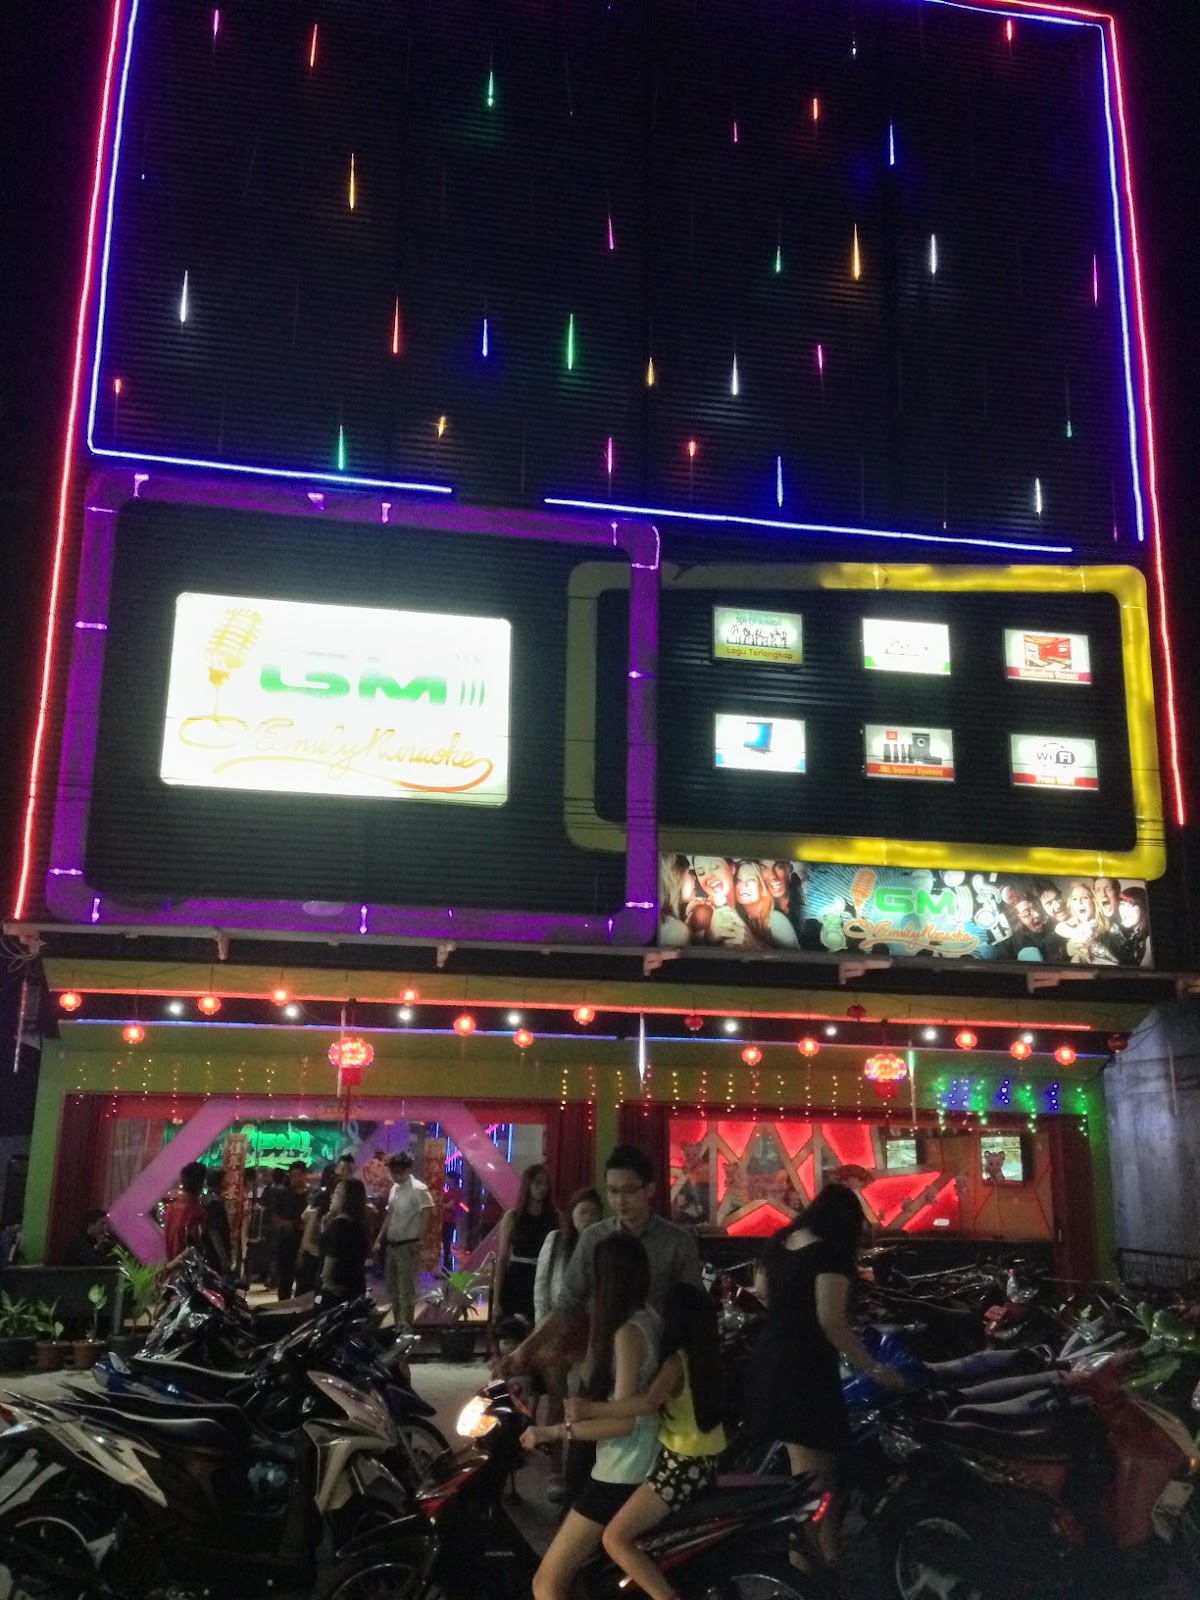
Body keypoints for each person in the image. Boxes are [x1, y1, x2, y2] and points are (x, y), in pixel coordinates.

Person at [747, 1184, 905, 1581]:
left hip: (770, 1361)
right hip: (805, 1371)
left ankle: (828, 1563)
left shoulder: (780, 1241)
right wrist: (874, 1368)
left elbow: (762, 1291)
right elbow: (832, 1321)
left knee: (818, 1478)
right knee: (815, 1484)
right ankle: (804, 1573)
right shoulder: (830, 1255)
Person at [521, 1234, 661, 1600]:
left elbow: (623, 1421)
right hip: (635, 1460)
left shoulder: (627, 1332)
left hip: (624, 1467)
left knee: (547, 1582)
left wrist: (551, 1432)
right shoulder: (647, 1317)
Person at [568, 1282, 727, 1600]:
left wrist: (589, 1409)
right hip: (704, 1461)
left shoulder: (675, 1363)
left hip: (682, 1464)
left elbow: (647, 1403)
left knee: (615, 1539)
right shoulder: (706, 1358)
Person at [499, 1145, 701, 1379]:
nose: (620, 1200)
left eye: (628, 1191)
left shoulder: (677, 1242)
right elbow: (567, 1305)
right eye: (612, 1191)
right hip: (599, 1359)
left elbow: (692, 1313)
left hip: (655, 1361)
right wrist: (526, 1349)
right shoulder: (594, 1238)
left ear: (650, 1189)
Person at [533, 1187, 604, 1500]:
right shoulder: (556, 1241)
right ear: (571, 1214)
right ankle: (556, 1470)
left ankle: (582, 1467)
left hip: (589, 1330)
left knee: (584, 1398)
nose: (588, 1218)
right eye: (582, 1212)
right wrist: (541, 1331)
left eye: (593, 1213)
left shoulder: (604, 1245)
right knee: (556, 1399)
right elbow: (541, 1286)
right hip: (557, 1327)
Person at [492, 1164, 560, 1328]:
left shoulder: (555, 1216)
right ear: (528, 1185)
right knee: (514, 1328)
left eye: (545, 1184)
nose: (542, 1188)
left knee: (540, 1328)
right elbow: (502, 1258)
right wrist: (496, 1299)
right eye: (537, 1183)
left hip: (544, 1276)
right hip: (517, 1277)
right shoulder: (513, 1217)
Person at [374, 1151, 434, 1335]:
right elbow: (390, 1215)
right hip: (392, 1244)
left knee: (406, 1290)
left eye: (398, 1172)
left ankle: (405, 1328)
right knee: (392, 1289)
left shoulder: (419, 1189)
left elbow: (427, 1214)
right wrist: (379, 1239)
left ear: (408, 1170)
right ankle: (397, 1325)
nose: (395, 1176)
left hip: (408, 1244)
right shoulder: (395, 1188)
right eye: (393, 1172)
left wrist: (420, 1240)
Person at [319, 1178, 371, 1307]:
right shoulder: (359, 1224)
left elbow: (330, 1262)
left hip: (337, 1293)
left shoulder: (340, 1225)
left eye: (337, 1192)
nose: (332, 1196)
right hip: (355, 1288)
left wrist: (326, 1282)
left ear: (348, 1198)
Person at [733, 859, 800, 949]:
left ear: (762, 886)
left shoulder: (776, 919)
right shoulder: (742, 918)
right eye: (739, 879)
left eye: (751, 879)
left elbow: (792, 956)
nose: (744, 885)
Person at [296, 1163, 337, 1294]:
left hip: (314, 1251)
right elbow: (305, 1217)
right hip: (318, 1252)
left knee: (308, 1289)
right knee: (313, 1288)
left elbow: (304, 1217)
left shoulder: (319, 1195)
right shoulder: (324, 1196)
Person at [273, 1161, 309, 1299]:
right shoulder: (283, 1194)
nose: (296, 1178)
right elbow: (274, 1215)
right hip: (286, 1244)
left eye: (299, 1175)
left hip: (305, 1244)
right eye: (293, 1175)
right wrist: (284, 1224)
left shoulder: (312, 1195)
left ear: (305, 1175)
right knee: (285, 1280)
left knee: (304, 1282)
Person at [163, 1162, 207, 1260]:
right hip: (186, 1265)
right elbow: (196, 1245)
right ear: (200, 1184)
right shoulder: (196, 1211)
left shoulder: (171, 1208)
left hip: (171, 1263)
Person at [202, 1166, 232, 1275]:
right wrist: (223, 1257)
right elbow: (214, 1231)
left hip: (205, 1250)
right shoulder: (215, 1202)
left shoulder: (204, 1199)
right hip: (214, 1254)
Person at [441, 1173, 466, 1272]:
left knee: (447, 1246)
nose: (446, 1180)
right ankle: (446, 1267)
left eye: (448, 1178)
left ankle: (447, 1268)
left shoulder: (456, 1192)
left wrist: (440, 1205)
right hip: (445, 1220)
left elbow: (450, 1205)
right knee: (446, 1246)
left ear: (452, 1179)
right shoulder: (449, 1191)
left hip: (450, 1221)